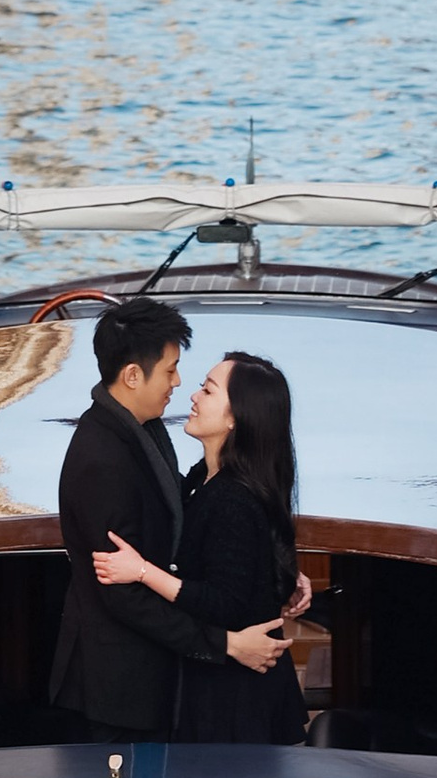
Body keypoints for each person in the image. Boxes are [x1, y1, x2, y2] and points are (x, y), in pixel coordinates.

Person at [48, 297, 289, 741]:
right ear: (132, 376)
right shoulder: (103, 460)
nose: (179, 383)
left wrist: (278, 567)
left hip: (161, 678)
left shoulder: (142, 429)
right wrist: (227, 645)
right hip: (122, 689)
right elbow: (122, 595)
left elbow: (189, 509)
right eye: (171, 370)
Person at [93, 350, 308, 745]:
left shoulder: (232, 497)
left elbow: (223, 603)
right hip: (222, 685)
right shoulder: (203, 479)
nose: (193, 396)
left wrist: (142, 571)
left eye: (208, 391)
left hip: (234, 702)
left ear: (235, 417)